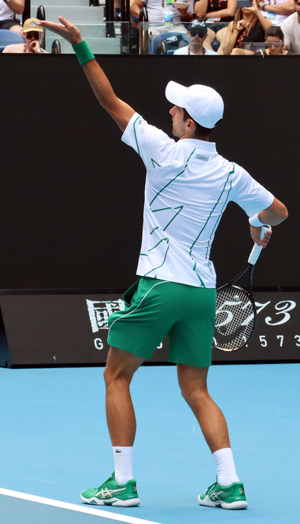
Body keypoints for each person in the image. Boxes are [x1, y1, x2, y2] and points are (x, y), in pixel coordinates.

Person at [39, 15, 288, 510]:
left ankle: (122, 482)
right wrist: (260, 225)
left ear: (189, 123)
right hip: (201, 293)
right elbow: (278, 212)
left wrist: (80, 45)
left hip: (160, 283)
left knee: (116, 376)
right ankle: (230, 483)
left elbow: (109, 101)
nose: (170, 111)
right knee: (196, 388)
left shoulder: (162, 152)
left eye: (177, 109)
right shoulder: (232, 172)